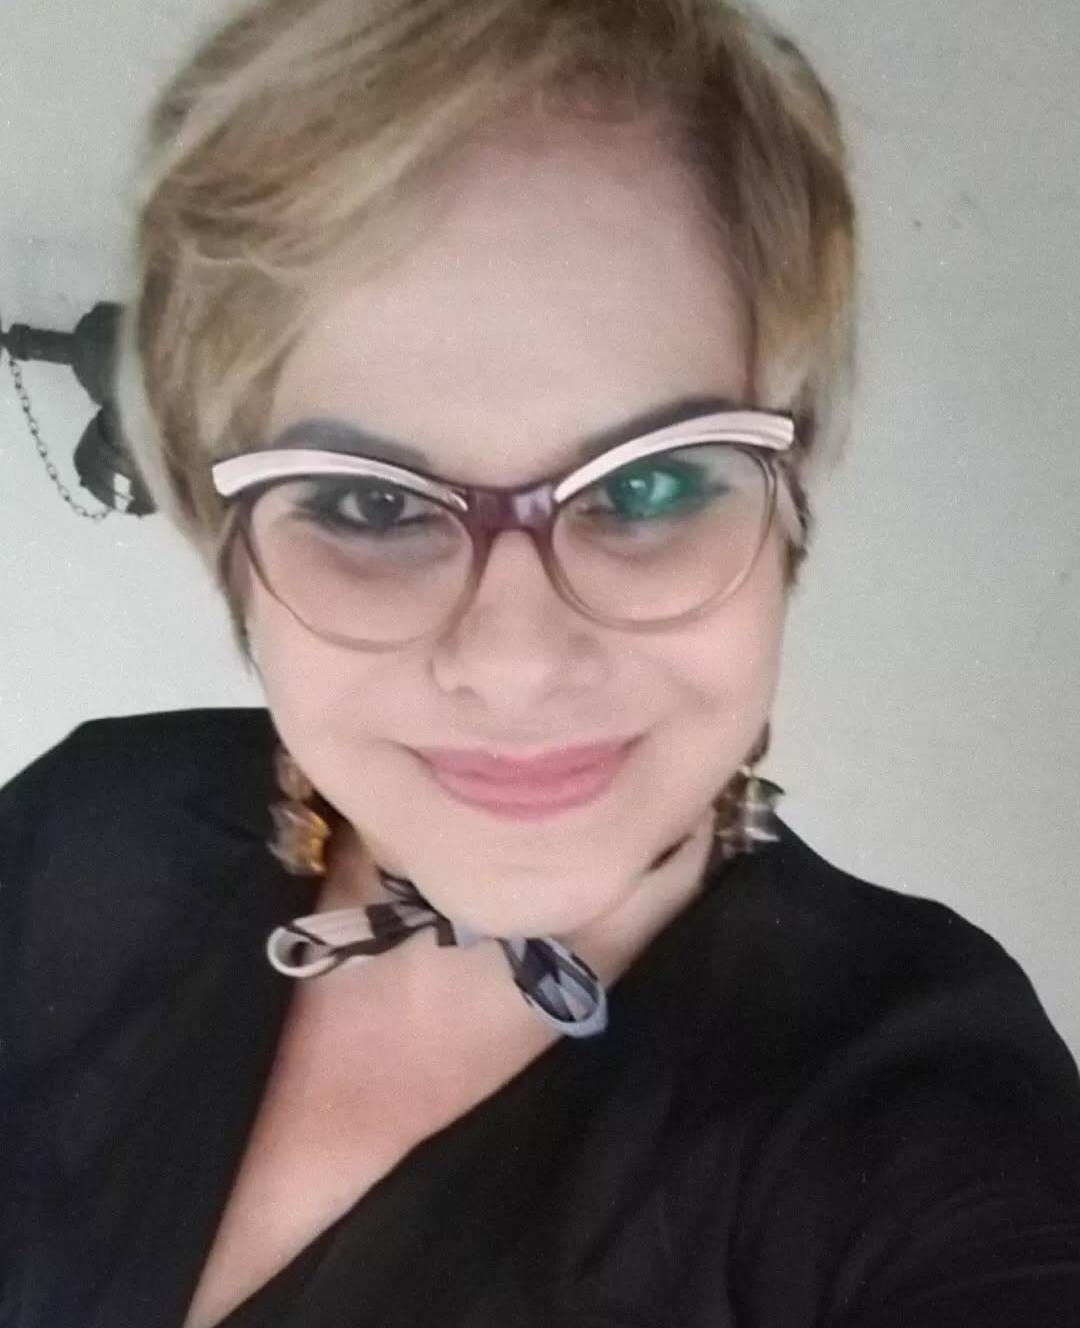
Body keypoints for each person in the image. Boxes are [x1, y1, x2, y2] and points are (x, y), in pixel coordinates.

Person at [2, 0, 1079, 1324]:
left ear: (789, 508)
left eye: (651, 484)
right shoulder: (83, 833)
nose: (513, 663)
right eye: (368, 504)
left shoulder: (906, 1106)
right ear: (225, 542)